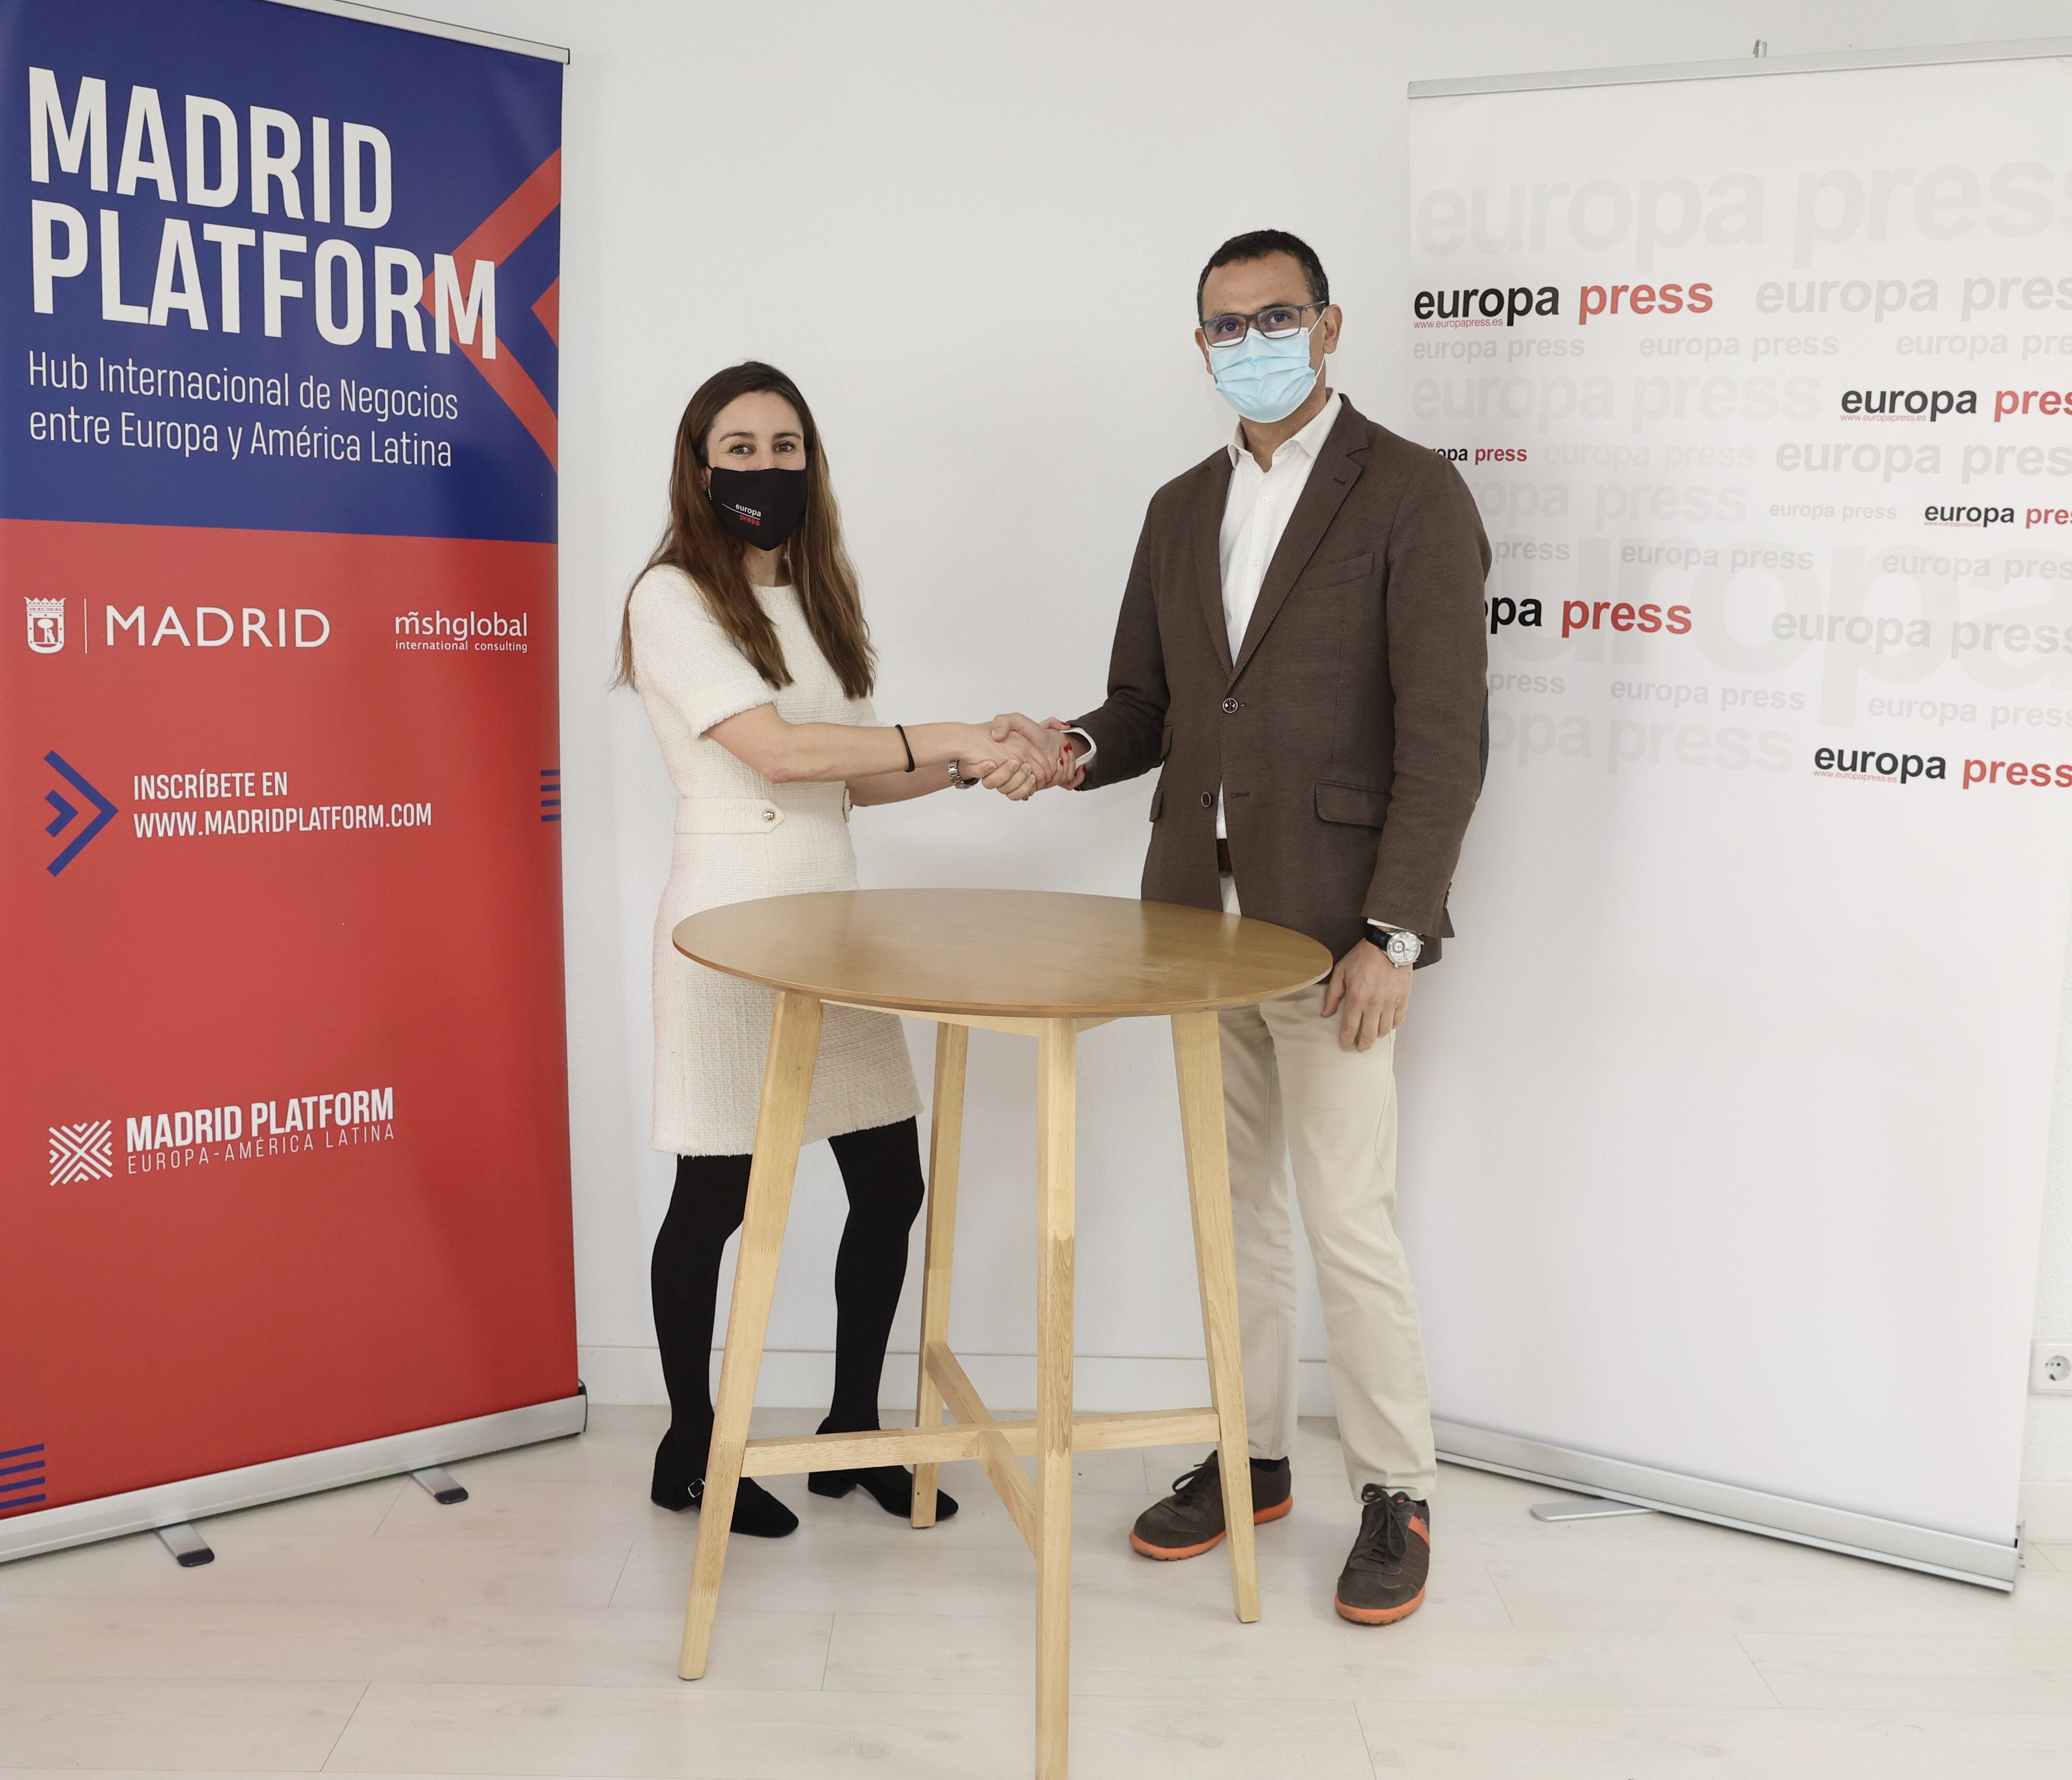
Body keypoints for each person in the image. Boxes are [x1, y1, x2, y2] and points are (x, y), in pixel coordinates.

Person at [997, 231, 1489, 1625]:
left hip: (1337, 936)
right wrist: (1068, 749)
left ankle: (1396, 1491)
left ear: (1328, 327)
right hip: (1194, 932)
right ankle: (1251, 1457)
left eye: (1277, 316)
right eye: (1226, 324)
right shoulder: (1177, 508)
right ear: (1200, 344)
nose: (1252, 340)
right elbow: (1148, 707)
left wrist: (1396, 934)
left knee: (1347, 1220)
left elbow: (1445, 736)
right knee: (1232, 1218)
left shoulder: (1411, 492)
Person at [616, 360, 1057, 1538]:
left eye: (786, 447)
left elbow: (850, 777)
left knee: (888, 1185)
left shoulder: (816, 600)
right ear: (698, 465)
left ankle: (849, 1434)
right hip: (728, 927)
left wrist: (977, 759)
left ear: (811, 462)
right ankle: (688, 1447)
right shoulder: (670, 596)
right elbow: (777, 754)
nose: (765, 467)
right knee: (714, 1195)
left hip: (829, 921)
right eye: (740, 448)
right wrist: (951, 730)